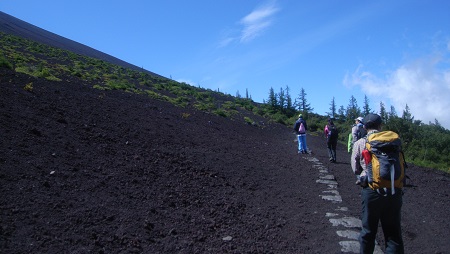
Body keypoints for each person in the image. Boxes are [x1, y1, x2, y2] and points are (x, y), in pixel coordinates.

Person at [351, 113, 404, 253]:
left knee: (368, 232)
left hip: (371, 190)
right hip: (394, 189)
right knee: (393, 234)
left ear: (364, 126)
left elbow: (355, 167)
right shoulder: (392, 141)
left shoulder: (360, 143)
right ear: (380, 126)